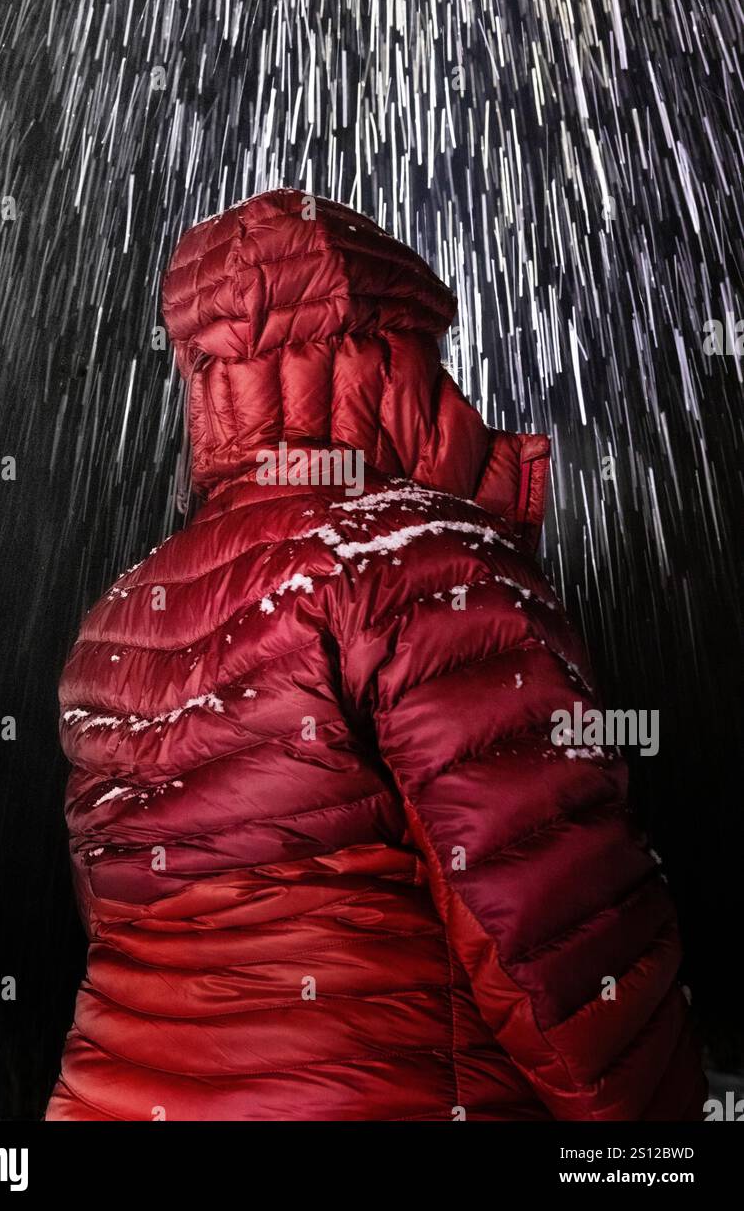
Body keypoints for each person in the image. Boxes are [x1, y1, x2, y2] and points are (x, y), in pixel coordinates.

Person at [46, 188, 705, 1121]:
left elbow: (129, 930)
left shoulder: (119, 619)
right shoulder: (418, 564)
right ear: (389, 353)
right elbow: (554, 937)